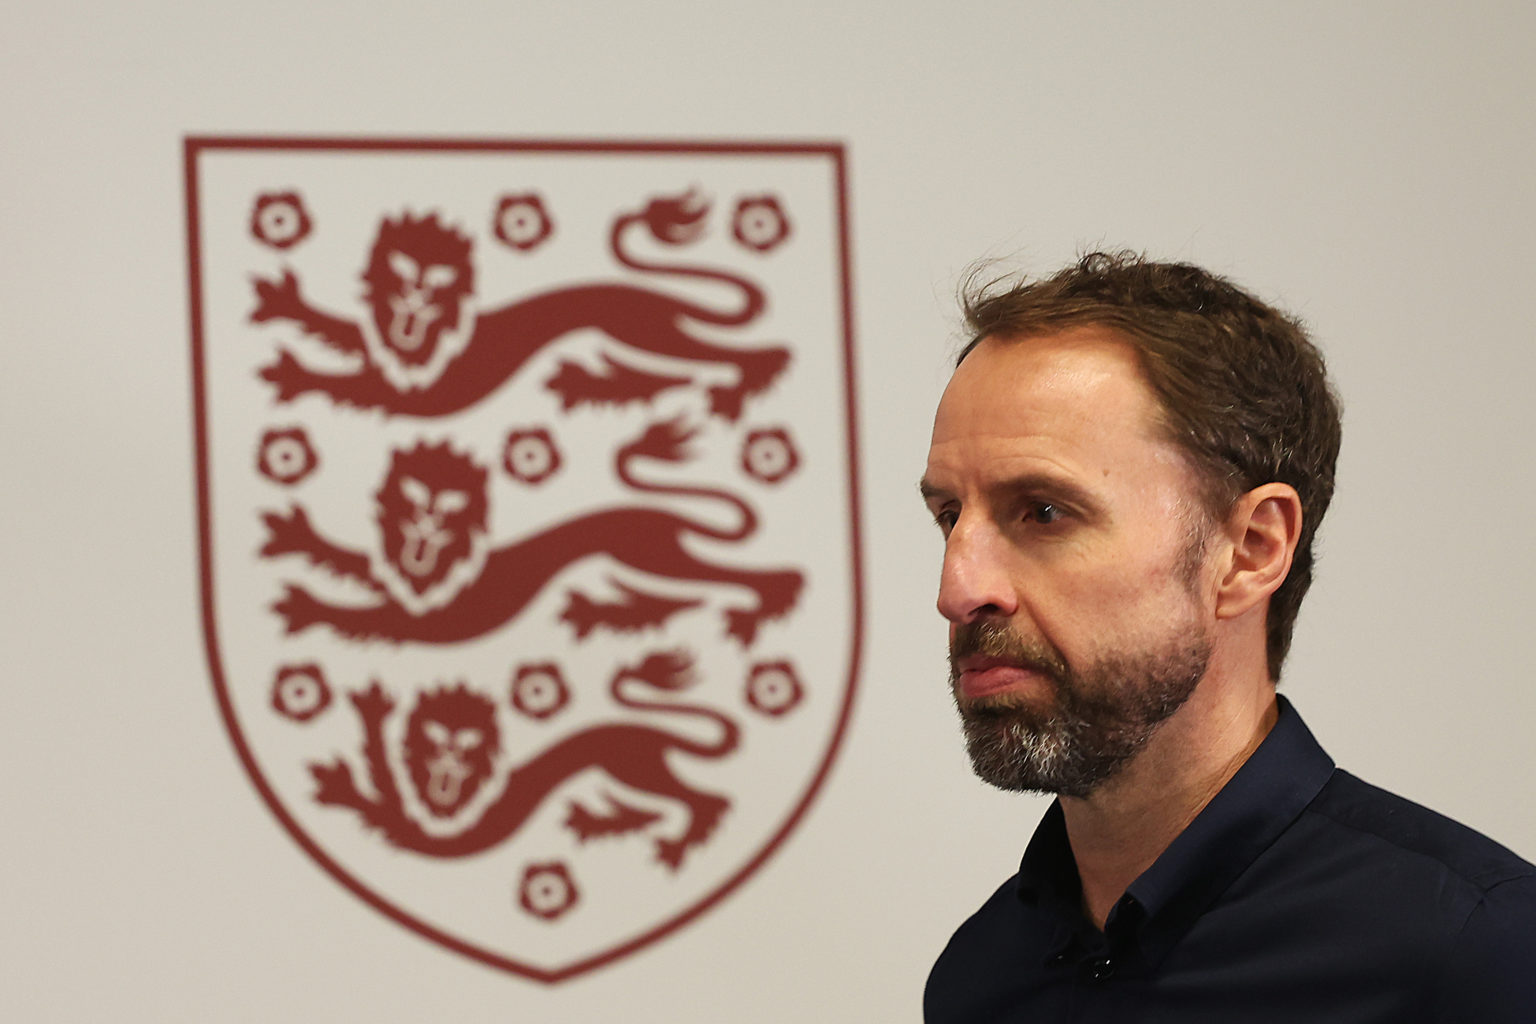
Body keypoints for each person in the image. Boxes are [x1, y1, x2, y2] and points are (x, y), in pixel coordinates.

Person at [918, 252, 1536, 1022]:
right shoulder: (982, 975)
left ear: (1249, 551)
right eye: (949, 517)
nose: (958, 590)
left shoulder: (1480, 952)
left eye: (1043, 512)